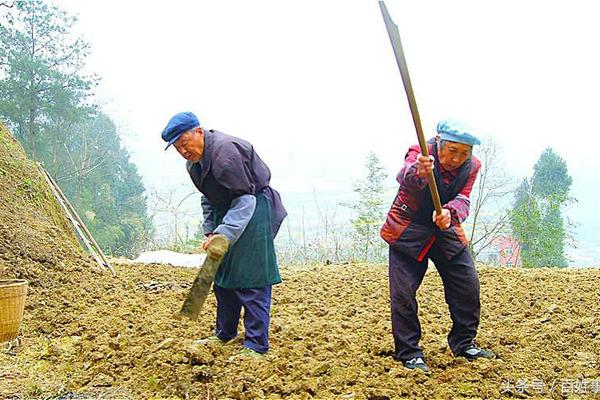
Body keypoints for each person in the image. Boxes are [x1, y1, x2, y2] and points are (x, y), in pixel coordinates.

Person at [161, 111, 287, 359]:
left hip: (253, 208)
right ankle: (224, 332)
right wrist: (211, 231)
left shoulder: (225, 154)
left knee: (251, 277)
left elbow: (245, 199)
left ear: (199, 132)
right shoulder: (194, 165)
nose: (184, 152)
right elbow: (208, 198)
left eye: (185, 144)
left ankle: (256, 345)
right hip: (227, 209)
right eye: (178, 148)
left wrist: (225, 233)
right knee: (222, 276)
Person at [380, 119, 495, 373]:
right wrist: (420, 172)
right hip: (408, 229)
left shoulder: (473, 166)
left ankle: (464, 342)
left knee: (467, 285)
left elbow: (464, 198)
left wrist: (450, 213)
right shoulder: (420, 153)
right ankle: (409, 353)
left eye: (463, 153)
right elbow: (404, 175)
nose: (457, 159)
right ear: (439, 143)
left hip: (445, 230)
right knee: (403, 294)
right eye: (452, 151)